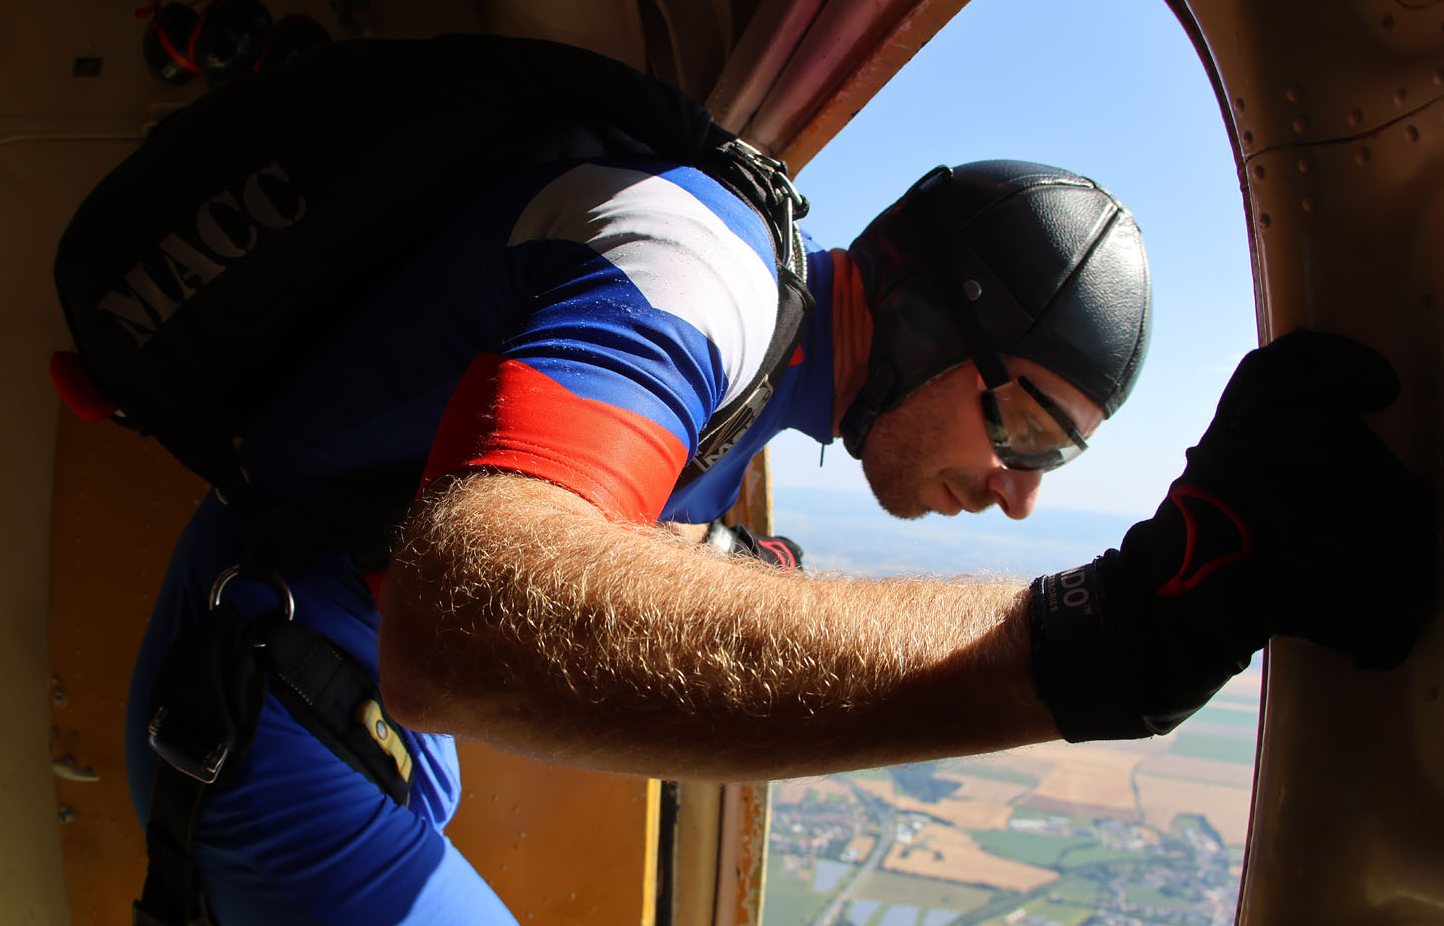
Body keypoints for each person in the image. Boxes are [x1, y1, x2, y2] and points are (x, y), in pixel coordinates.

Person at [122, 139, 1430, 926]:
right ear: (932, 315)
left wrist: (743, 571)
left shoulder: (759, 351)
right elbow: (464, 612)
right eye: (1028, 433)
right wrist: (1116, 637)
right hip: (271, 708)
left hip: (346, 707)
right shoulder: (705, 263)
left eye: (1061, 462)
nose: (1023, 491)